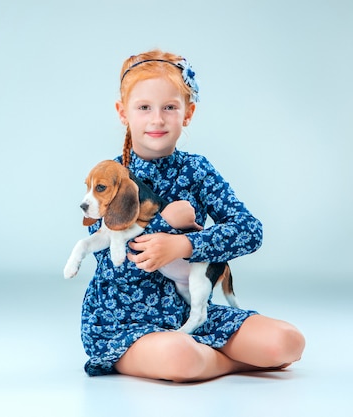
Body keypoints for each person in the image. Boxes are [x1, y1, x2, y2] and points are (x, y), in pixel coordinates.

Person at [80, 49, 305, 382]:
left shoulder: (196, 170)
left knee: (287, 342)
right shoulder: (111, 175)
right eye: (144, 108)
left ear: (188, 113)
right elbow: (112, 261)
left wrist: (184, 245)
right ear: (122, 113)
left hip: (192, 315)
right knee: (180, 357)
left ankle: (205, 358)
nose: (157, 119)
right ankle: (227, 364)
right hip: (123, 321)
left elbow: (249, 230)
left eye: (170, 107)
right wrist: (164, 223)